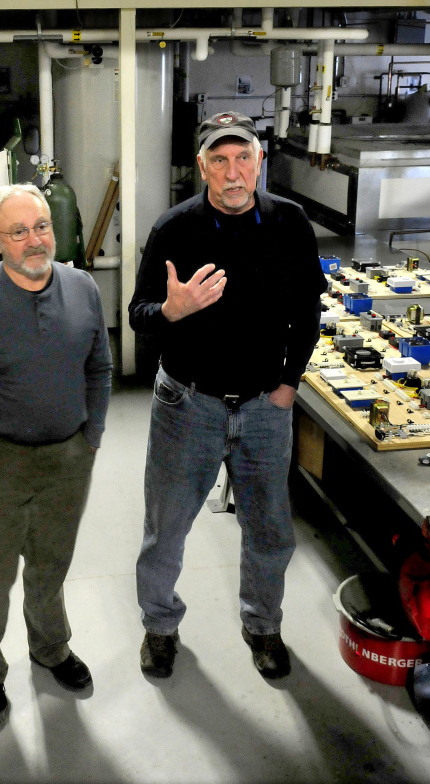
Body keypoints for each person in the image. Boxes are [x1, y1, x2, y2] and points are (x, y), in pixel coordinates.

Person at [129, 112, 327, 681]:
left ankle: (262, 625)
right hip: (187, 405)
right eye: (220, 159)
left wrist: (290, 382)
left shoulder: (290, 223)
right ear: (202, 167)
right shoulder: (174, 229)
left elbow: (309, 312)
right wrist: (172, 310)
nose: (233, 172)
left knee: (269, 527)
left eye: (243, 157)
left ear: (260, 162)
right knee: (165, 529)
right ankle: (160, 627)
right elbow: (138, 315)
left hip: (267, 405)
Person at [0, 182, 112, 726]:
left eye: (42, 227)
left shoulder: (83, 288)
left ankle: (51, 647)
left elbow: (99, 368)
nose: (35, 241)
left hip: (67, 459)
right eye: (19, 231)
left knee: (50, 566)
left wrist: (91, 438)